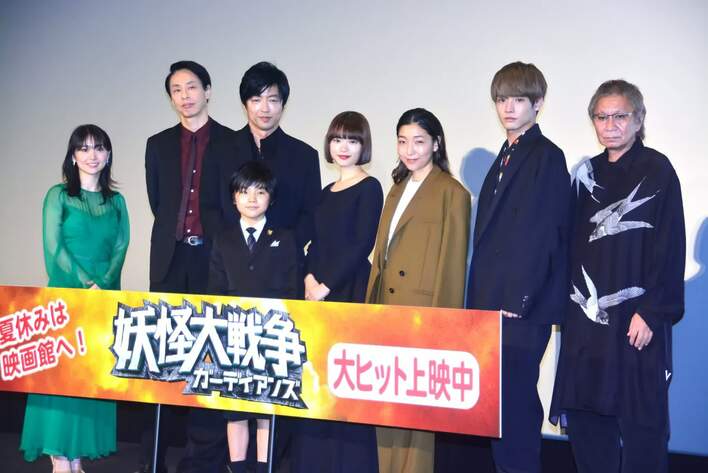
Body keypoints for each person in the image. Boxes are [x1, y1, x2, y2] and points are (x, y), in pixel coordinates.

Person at [551, 79, 685, 473]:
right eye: (601, 117)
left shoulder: (657, 170)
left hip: (635, 322)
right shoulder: (585, 173)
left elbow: (670, 247)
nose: (610, 125)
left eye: (620, 116)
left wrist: (652, 312)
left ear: (638, 119)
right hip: (586, 324)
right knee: (588, 427)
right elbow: (568, 246)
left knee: (643, 428)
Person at [463, 61, 571, 473]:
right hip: (494, 306)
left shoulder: (546, 156)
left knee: (516, 407)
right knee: (498, 406)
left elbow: (544, 233)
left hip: (521, 307)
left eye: (519, 100)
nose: (508, 108)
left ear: (538, 103)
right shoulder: (505, 156)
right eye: (502, 99)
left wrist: (518, 298)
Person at [144, 60, 239, 473]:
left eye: (192, 87)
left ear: (208, 91)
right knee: (160, 360)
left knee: (207, 360)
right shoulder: (158, 144)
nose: (185, 96)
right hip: (170, 260)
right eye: (177, 90)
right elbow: (158, 201)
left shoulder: (232, 142)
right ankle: (153, 458)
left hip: (212, 261)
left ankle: (202, 460)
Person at [366, 108, 471, 473]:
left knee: (418, 415)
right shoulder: (395, 189)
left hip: (422, 316)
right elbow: (381, 258)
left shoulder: (452, 193)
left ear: (436, 144)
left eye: (419, 142)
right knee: (386, 406)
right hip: (387, 310)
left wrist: (443, 326)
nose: (409, 150)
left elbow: (452, 266)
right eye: (403, 141)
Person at [20, 124, 129, 473]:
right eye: (83, 148)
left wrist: (103, 285)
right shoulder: (58, 196)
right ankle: (60, 460)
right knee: (61, 380)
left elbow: (121, 247)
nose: (91, 155)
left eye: (99, 147)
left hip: (102, 302)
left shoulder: (117, 202)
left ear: (108, 155)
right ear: (72, 156)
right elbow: (53, 247)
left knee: (89, 380)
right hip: (65, 298)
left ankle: (77, 459)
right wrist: (85, 283)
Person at [293, 111, 382, 472]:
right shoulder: (324, 193)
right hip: (315, 292)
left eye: (352, 140)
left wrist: (326, 285)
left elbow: (362, 243)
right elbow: (313, 242)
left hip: (349, 290)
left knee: (347, 378)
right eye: (337, 139)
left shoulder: (370, 187)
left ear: (363, 146)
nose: (343, 147)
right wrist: (308, 279)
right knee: (316, 379)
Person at [208, 160, 300, 473]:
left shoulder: (285, 238)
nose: (252, 199)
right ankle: (237, 467)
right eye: (244, 191)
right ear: (233, 197)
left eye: (260, 192)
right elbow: (216, 291)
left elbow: (292, 289)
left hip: (270, 336)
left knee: (265, 409)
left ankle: (264, 467)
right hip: (233, 337)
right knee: (235, 410)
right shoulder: (223, 239)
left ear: (270, 199)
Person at [201, 61, 321, 250]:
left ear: (283, 104)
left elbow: (310, 214)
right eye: (256, 100)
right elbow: (208, 208)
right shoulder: (218, 151)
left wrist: (283, 247)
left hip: (284, 261)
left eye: (272, 100)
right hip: (230, 260)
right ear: (245, 104)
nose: (265, 108)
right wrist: (230, 248)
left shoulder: (305, 156)